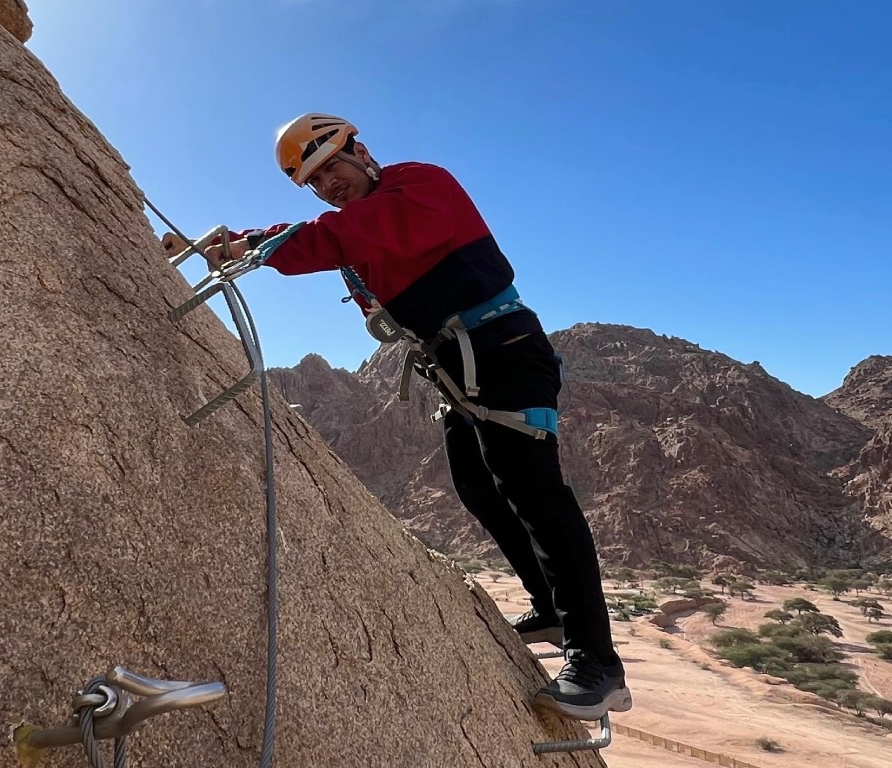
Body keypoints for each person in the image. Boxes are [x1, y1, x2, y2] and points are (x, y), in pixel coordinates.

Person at [160, 113, 629, 719]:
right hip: (460, 363)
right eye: (314, 181)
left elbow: (336, 236)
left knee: (536, 493)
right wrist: (221, 245)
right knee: (480, 488)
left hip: (503, 349)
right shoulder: (358, 220)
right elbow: (319, 233)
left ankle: (599, 663)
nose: (328, 184)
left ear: (361, 150)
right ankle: (548, 605)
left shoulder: (421, 184)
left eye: (332, 166)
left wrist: (236, 246)